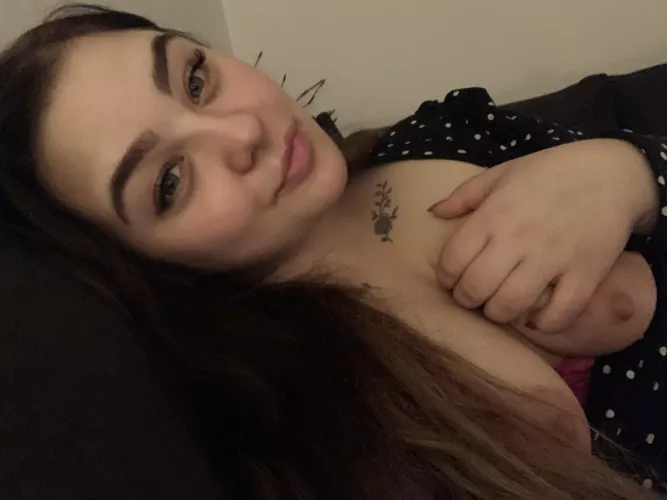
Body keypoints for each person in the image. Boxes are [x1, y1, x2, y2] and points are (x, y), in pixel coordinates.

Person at [0, 4, 664, 499]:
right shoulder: (298, 424)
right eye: (169, 182)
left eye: (195, 79)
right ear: (139, 266)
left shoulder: (440, 131)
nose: (241, 131)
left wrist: (626, 173)